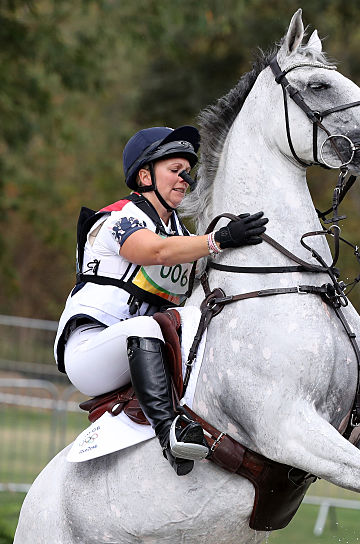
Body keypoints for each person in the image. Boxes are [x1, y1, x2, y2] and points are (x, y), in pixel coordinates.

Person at [54, 125, 268, 475]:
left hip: (140, 351)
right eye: (175, 170)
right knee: (147, 326)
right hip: (90, 352)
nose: (185, 179)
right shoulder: (116, 218)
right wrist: (220, 239)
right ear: (144, 175)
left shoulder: (181, 234)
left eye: (188, 172)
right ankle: (171, 434)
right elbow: (156, 251)